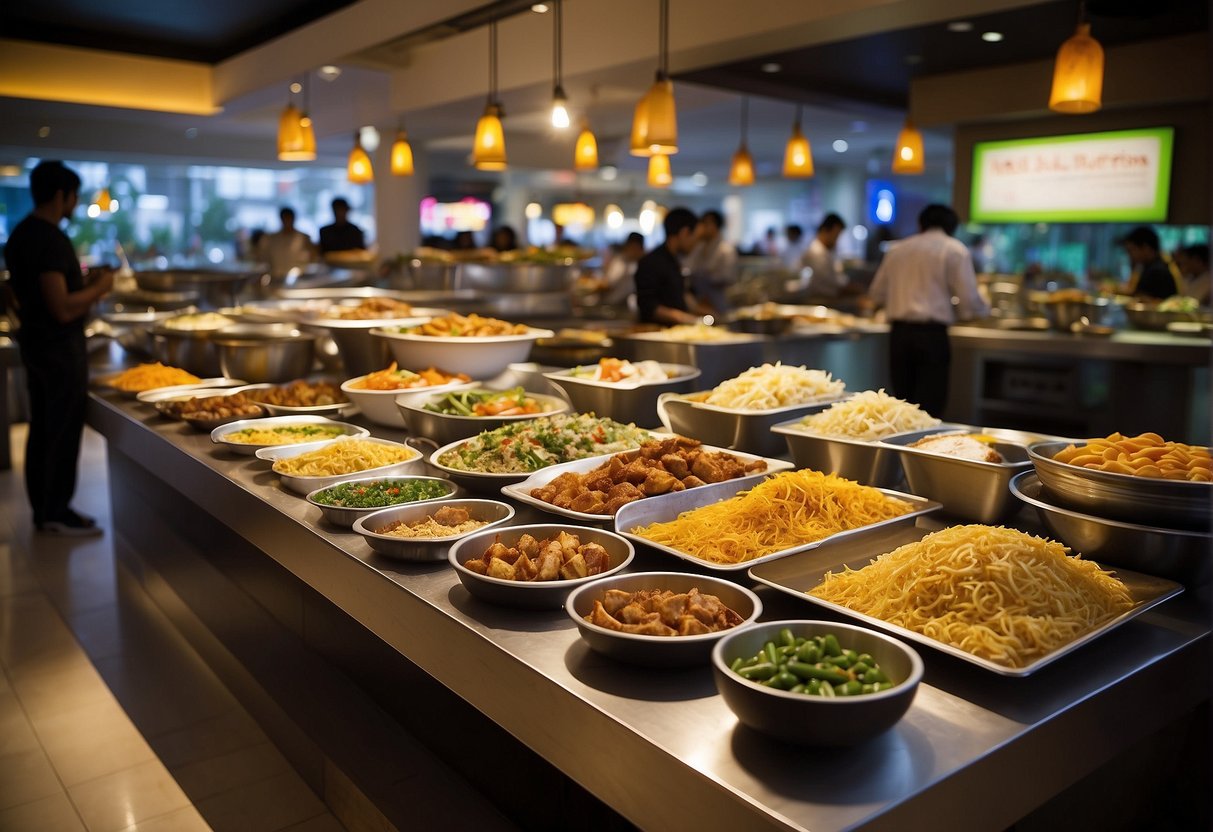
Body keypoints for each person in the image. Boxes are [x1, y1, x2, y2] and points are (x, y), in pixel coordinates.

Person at [4, 161, 114, 535]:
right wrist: (101, 287)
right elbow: (62, 307)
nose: (75, 203)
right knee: (60, 431)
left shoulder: (20, 235)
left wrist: (82, 281)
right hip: (57, 352)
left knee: (43, 428)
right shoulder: (49, 239)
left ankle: (46, 509)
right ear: (59, 196)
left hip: (36, 347)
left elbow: (38, 292)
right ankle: (55, 511)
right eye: (73, 196)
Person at [869, 204, 989, 417]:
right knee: (930, 408)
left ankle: (901, 450)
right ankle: (923, 449)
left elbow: (877, 294)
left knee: (902, 406)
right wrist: (982, 310)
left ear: (920, 224)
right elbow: (969, 302)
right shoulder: (954, 249)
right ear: (952, 227)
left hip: (899, 335)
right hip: (931, 336)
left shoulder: (897, 249)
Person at [633, 207, 703, 325]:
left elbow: (680, 298)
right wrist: (688, 319)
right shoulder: (651, 262)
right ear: (684, 232)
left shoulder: (675, 261)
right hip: (655, 336)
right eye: (694, 238)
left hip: (675, 334)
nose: (695, 244)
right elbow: (648, 306)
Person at [686, 210, 738, 316]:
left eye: (706, 224)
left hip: (720, 303)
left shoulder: (726, 250)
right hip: (699, 303)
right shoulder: (698, 247)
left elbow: (728, 277)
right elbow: (689, 267)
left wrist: (705, 275)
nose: (703, 227)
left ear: (715, 226)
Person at [1119, 226, 1183, 300]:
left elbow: (1154, 301)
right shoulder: (1149, 266)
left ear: (1146, 248)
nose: (1130, 255)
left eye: (1132, 250)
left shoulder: (1158, 270)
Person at [256, 207, 314, 277]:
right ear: (281, 219)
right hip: (276, 276)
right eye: (285, 218)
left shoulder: (304, 238)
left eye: (289, 218)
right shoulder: (271, 238)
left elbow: (311, 257)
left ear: (294, 218)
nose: (287, 221)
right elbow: (263, 258)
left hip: (299, 276)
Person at [801, 213, 848, 298]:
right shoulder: (816, 252)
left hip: (829, 297)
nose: (836, 239)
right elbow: (831, 281)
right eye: (836, 235)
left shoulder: (827, 250)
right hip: (821, 299)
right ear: (824, 231)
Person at [600, 232, 646, 307]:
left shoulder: (644, 264)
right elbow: (609, 283)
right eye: (632, 247)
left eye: (636, 248)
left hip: (629, 306)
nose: (634, 251)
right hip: (613, 304)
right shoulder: (619, 262)